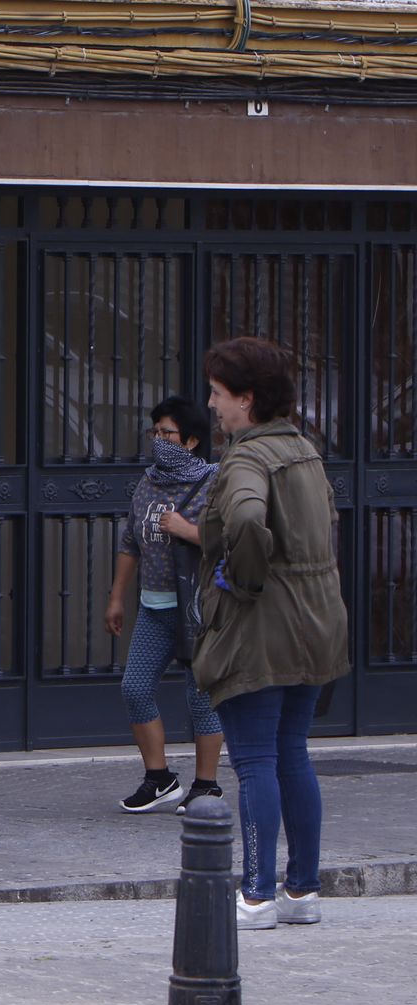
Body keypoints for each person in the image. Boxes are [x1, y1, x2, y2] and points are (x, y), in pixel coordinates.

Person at [194, 336, 349, 930]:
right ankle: (302, 891)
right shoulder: (305, 450)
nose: (212, 405)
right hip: (317, 622)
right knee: (292, 753)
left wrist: (244, 580)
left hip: (262, 629)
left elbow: (245, 518)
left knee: (256, 759)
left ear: (247, 399)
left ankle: (256, 894)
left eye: (218, 394)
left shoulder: (247, 458)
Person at [104, 396, 224, 814]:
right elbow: (130, 542)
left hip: (198, 609)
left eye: (167, 433)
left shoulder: (214, 482)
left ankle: (206, 785)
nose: (159, 440)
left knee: (201, 697)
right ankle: (159, 778)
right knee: (135, 688)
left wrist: (186, 530)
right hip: (154, 607)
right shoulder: (148, 482)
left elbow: (232, 538)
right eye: (154, 432)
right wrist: (117, 597)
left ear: (191, 440)